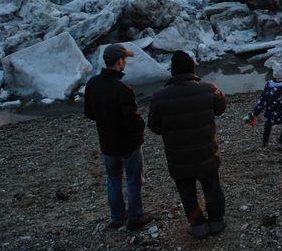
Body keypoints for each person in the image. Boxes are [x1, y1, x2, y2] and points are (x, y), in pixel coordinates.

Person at [148, 50, 227, 239]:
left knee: (187, 193)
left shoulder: (158, 98)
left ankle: (198, 225)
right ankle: (216, 221)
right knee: (212, 187)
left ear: (173, 72)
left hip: (179, 158)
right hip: (207, 153)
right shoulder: (209, 88)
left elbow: (154, 127)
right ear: (192, 69)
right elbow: (221, 107)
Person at [84, 43, 151, 230]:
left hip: (107, 142)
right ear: (119, 61)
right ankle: (136, 216)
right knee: (133, 179)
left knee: (113, 179)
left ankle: (117, 216)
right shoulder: (122, 89)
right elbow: (132, 121)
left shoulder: (92, 84)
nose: (126, 62)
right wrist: (141, 125)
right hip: (128, 144)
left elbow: (89, 113)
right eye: (125, 59)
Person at [246, 62, 282, 150]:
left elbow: (262, 101)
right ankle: (281, 143)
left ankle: (264, 142)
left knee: (267, 126)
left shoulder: (268, 86)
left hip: (270, 115)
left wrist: (256, 112)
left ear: (274, 75)